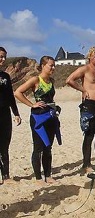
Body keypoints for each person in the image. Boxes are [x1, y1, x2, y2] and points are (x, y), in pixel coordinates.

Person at [14, 56, 61, 184]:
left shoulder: (51, 81)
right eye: (51, 65)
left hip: (50, 117)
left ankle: (48, 175)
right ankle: (38, 177)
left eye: (54, 65)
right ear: (43, 65)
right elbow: (18, 92)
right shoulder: (36, 80)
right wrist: (32, 104)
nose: (53, 68)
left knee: (48, 147)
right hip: (38, 118)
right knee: (38, 147)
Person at [66, 46, 95, 173]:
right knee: (89, 135)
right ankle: (86, 164)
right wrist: (83, 90)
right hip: (90, 105)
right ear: (90, 56)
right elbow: (69, 80)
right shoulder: (85, 69)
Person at [0, 47, 21, 184]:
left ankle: (6, 176)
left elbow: (10, 97)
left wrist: (16, 113)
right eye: (0, 56)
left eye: (4, 57)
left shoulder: (6, 76)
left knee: (4, 146)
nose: (2, 59)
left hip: (5, 114)